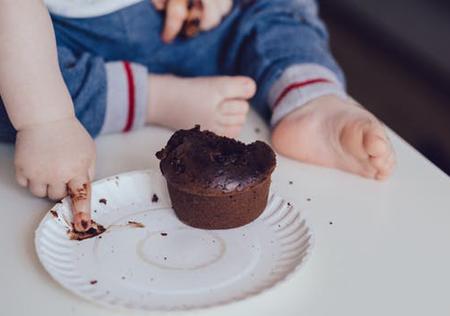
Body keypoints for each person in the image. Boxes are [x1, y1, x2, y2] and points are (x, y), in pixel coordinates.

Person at [0, 0, 395, 232]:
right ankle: (154, 97)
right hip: (51, 48)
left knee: (277, 8)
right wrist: (46, 120)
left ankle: (307, 96)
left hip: (195, 25)